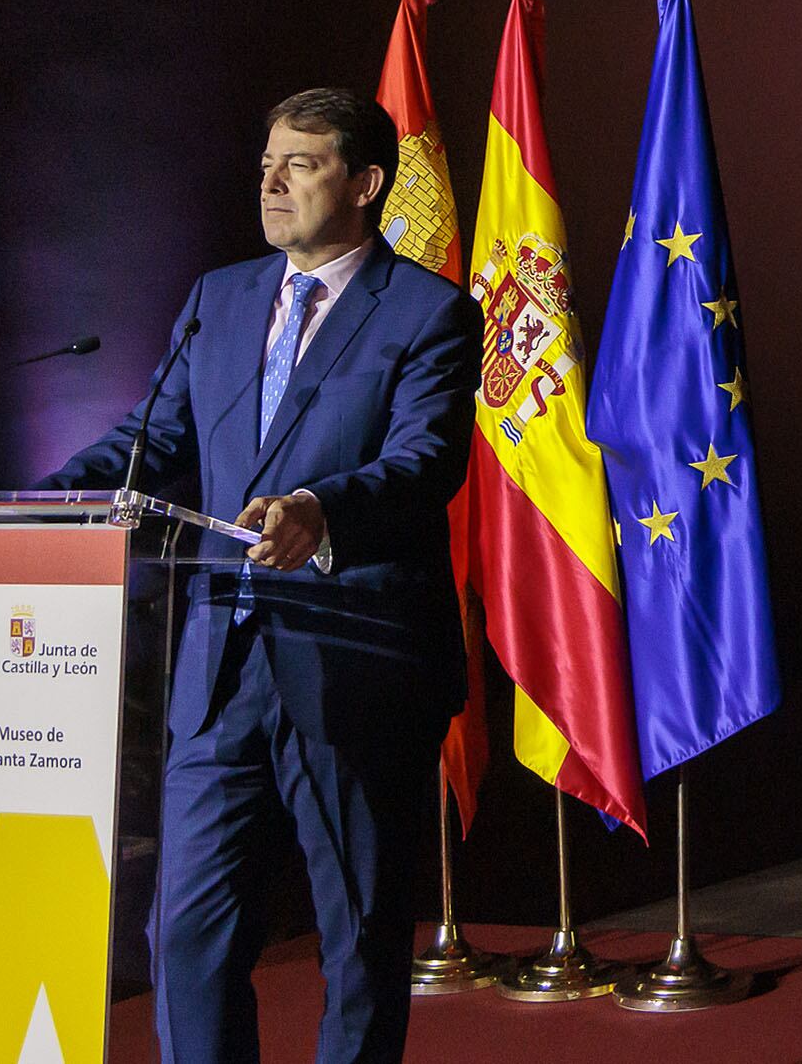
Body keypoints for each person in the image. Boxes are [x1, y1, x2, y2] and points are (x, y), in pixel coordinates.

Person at [45, 88, 485, 1064]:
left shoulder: (430, 310)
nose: (271, 181)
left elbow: (425, 462)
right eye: (266, 163)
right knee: (185, 934)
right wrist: (34, 502)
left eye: (302, 163)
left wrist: (321, 506)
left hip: (353, 659)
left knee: (358, 935)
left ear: (365, 183)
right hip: (221, 661)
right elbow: (152, 437)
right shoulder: (221, 297)